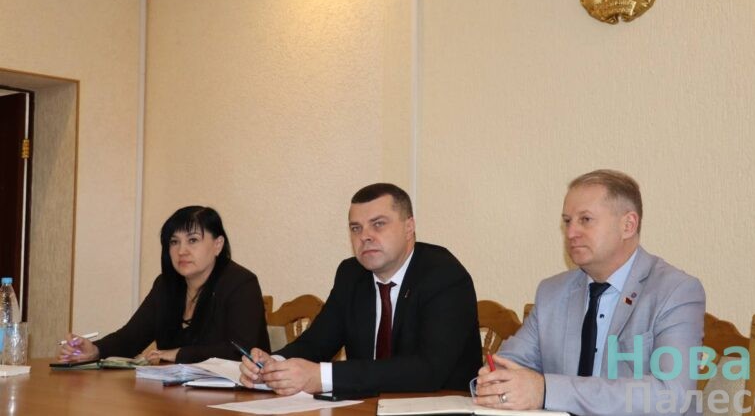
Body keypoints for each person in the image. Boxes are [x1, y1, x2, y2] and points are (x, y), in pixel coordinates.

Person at [475, 170, 705, 416]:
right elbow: (509, 364)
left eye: (585, 219)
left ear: (628, 225)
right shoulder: (552, 292)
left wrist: (547, 390)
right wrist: (496, 382)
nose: (571, 233)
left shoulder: (676, 292)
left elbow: (670, 394)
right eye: (567, 221)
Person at [240, 183, 482, 395]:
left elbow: (428, 370)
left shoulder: (444, 276)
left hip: (437, 408)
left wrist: (321, 376)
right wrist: (275, 364)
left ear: (409, 227)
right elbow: (316, 343)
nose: (365, 236)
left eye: (378, 224)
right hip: (365, 407)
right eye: (356, 228)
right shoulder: (351, 274)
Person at [58, 206, 270, 364]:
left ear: (217, 245)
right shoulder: (166, 285)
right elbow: (131, 337)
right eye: (174, 242)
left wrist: (178, 354)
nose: (182, 251)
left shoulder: (241, 284)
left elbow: (240, 351)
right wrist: (95, 350)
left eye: (193, 240)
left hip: (234, 398)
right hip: (175, 395)